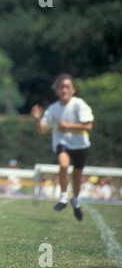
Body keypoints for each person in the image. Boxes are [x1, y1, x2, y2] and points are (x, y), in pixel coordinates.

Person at [31, 73, 94, 221]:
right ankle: (63, 196)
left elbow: (88, 126)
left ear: (73, 90)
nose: (64, 90)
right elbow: (42, 130)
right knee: (63, 165)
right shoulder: (53, 109)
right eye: (61, 87)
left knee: (77, 176)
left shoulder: (79, 104)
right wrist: (37, 120)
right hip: (63, 143)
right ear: (57, 90)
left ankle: (76, 201)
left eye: (67, 87)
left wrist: (67, 126)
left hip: (80, 144)